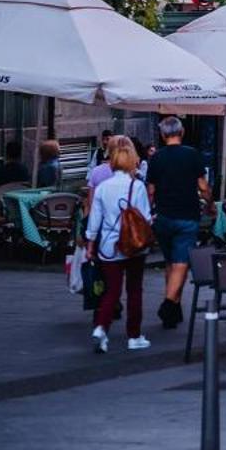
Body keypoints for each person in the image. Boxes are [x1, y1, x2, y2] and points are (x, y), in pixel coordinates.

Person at [84, 134, 152, 354]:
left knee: (110, 291)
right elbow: (145, 217)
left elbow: (95, 218)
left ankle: (101, 328)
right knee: (134, 290)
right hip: (133, 245)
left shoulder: (103, 187)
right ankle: (134, 335)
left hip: (108, 246)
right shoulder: (137, 186)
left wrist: (90, 243)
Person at [145, 116, 211, 330]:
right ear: (181, 133)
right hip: (187, 215)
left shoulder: (156, 159)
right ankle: (168, 304)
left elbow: (151, 191)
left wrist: (150, 211)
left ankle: (173, 310)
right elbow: (202, 186)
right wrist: (210, 201)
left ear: (163, 135)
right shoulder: (192, 155)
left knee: (170, 262)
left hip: (163, 216)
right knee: (181, 262)